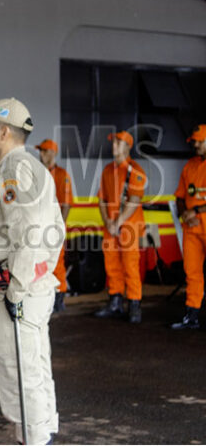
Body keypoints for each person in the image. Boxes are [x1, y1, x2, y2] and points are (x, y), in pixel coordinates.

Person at [0, 98, 64, 445]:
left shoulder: (14, 170)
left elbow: (29, 233)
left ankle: (34, 439)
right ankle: (40, 435)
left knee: (20, 371)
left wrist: (17, 287)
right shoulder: (28, 168)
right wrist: (35, 274)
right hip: (31, 284)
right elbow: (53, 230)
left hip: (19, 288)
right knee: (34, 366)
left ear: (5, 132)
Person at [94, 131, 147, 323]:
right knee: (112, 265)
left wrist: (118, 222)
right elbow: (101, 199)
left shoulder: (135, 170)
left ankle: (134, 304)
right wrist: (107, 221)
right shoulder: (108, 170)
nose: (114, 145)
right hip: (110, 226)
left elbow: (134, 200)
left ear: (128, 146)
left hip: (129, 227)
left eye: (118, 142)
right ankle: (115, 302)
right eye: (113, 142)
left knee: (130, 265)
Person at [171, 124, 206, 329]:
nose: (196, 145)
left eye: (200, 142)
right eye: (194, 142)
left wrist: (197, 211)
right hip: (192, 229)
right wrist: (185, 213)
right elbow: (180, 196)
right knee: (192, 272)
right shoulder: (190, 166)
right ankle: (191, 316)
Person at [35, 139, 74, 312]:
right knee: (40, 263)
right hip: (38, 227)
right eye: (40, 151)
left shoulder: (61, 175)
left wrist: (58, 228)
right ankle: (45, 299)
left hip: (54, 227)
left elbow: (66, 204)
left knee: (57, 262)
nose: (41, 154)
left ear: (52, 153)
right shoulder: (38, 174)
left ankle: (59, 299)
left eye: (44, 151)